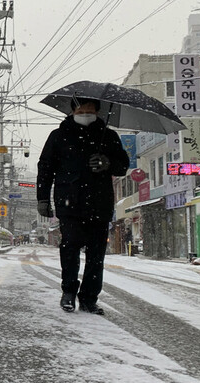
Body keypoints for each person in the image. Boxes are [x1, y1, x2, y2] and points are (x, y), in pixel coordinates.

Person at [36, 97, 130, 315]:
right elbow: (45, 168)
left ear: (97, 110)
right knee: (69, 248)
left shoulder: (109, 136)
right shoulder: (58, 136)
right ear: (72, 110)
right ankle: (68, 291)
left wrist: (107, 162)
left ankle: (89, 298)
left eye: (90, 108)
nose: (85, 111)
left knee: (97, 254)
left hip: (100, 202)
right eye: (81, 107)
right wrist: (42, 198)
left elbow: (123, 165)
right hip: (69, 202)